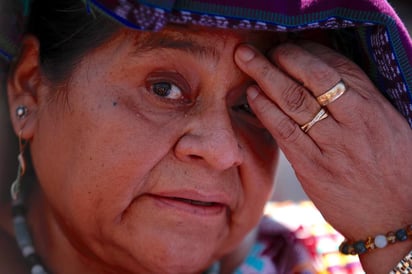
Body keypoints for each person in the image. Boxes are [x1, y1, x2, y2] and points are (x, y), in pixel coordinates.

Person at [0, 0, 411, 273]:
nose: (220, 151)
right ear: (31, 87)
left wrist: (395, 241)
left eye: (250, 105)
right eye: (164, 88)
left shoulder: (335, 258)